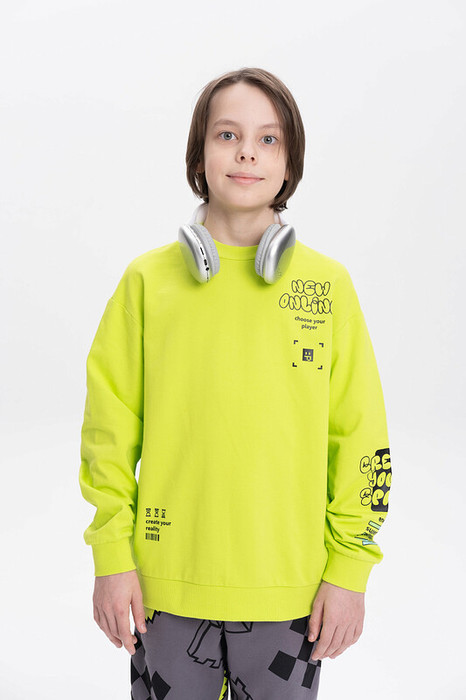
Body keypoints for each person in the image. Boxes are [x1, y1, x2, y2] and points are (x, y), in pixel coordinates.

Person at [79, 67, 392, 699]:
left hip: (292, 595)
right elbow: (107, 436)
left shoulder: (327, 286)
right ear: (199, 154)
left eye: (268, 139)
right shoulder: (147, 283)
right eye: (227, 134)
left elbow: (361, 440)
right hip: (165, 589)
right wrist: (111, 558)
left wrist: (350, 570)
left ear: (289, 162)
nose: (247, 152)